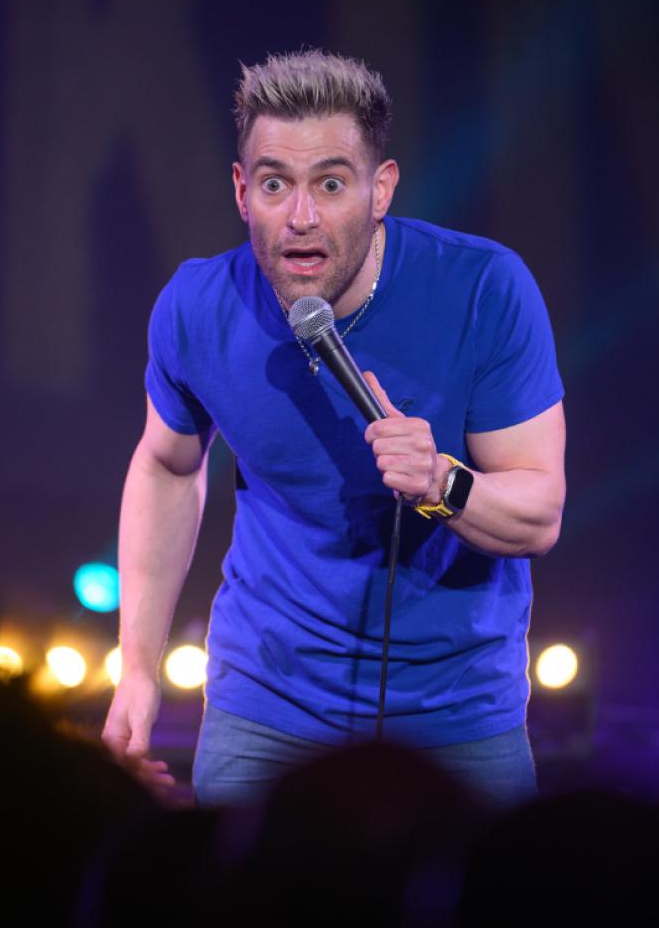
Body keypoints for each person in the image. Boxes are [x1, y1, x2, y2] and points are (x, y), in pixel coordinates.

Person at [102, 49, 566, 808]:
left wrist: (441, 481)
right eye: (276, 184)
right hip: (263, 704)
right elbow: (167, 466)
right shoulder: (197, 305)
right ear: (242, 190)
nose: (302, 217)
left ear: (379, 189)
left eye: (330, 183)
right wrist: (138, 669)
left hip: (455, 713)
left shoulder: (484, 288)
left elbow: (538, 511)